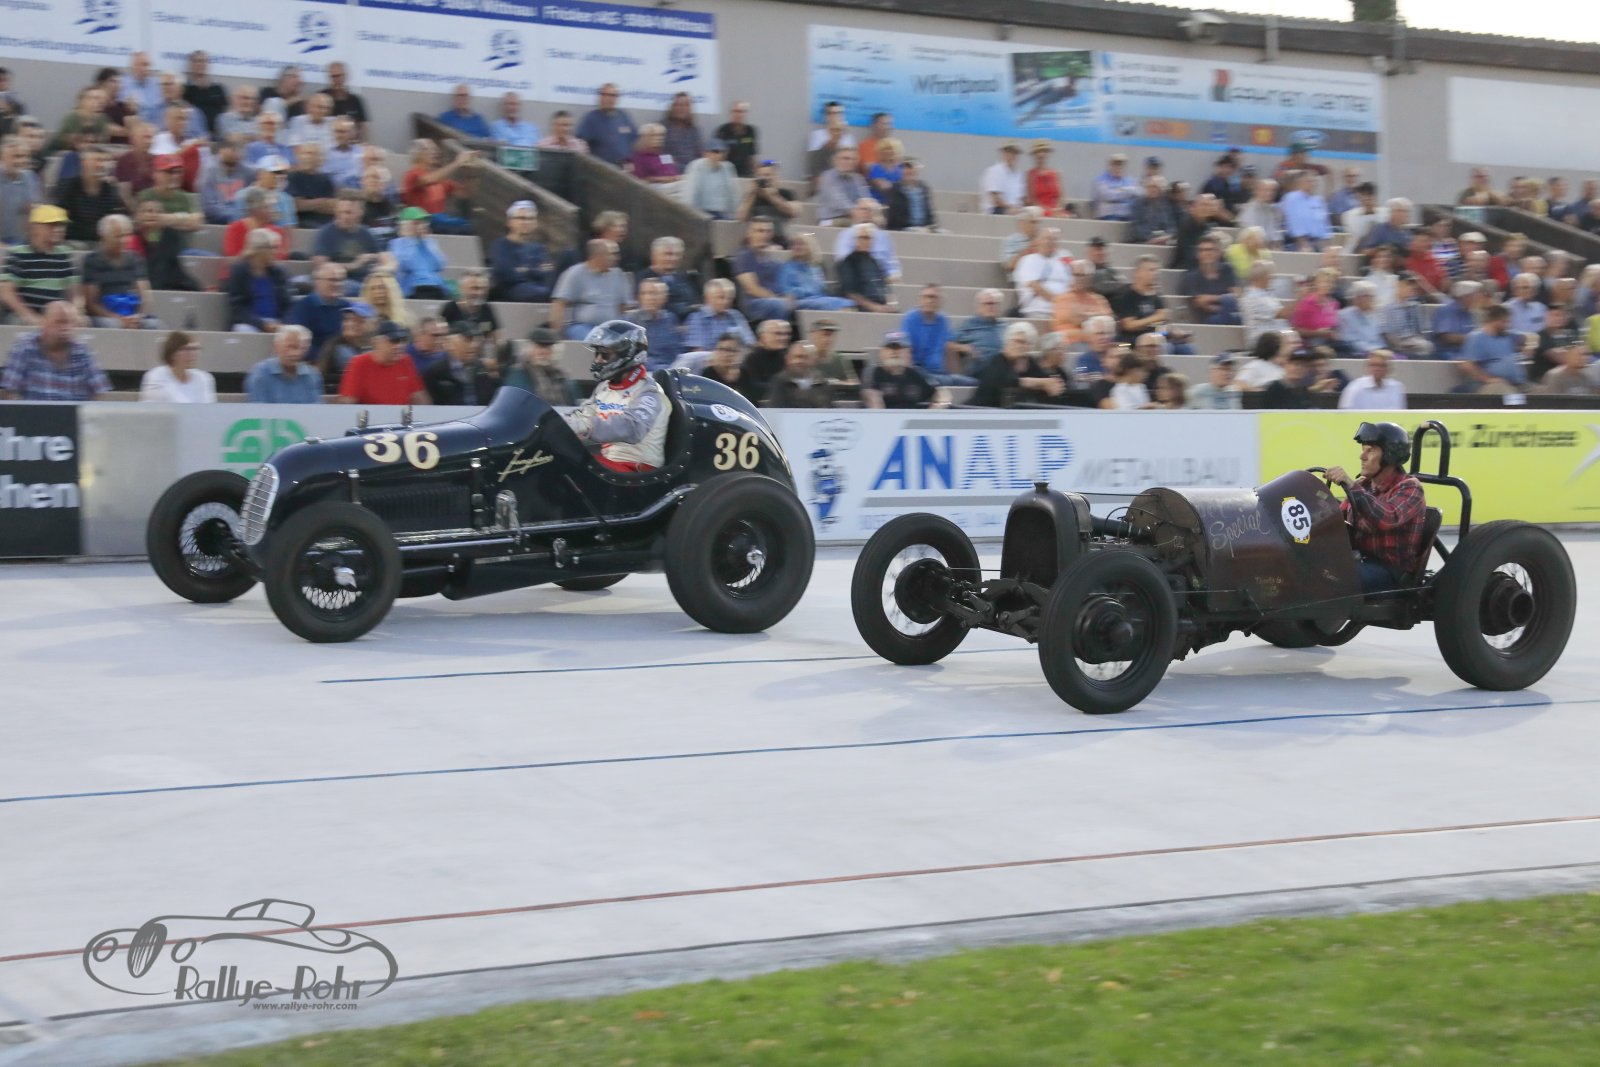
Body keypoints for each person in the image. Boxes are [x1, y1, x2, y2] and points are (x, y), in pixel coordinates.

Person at [1326, 422, 1428, 593]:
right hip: (1360, 559)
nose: (1362, 456)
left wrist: (1351, 485)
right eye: (1363, 449)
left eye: (1371, 450)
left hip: (1391, 571)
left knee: (1330, 578)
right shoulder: (1363, 485)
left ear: (1389, 455)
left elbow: (1387, 517)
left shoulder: (1410, 487)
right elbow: (1338, 518)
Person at [565, 320, 670, 472]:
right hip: (609, 463)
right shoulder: (604, 388)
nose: (598, 359)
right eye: (597, 353)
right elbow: (582, 415)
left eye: (605, 354)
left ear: (627, 354)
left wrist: (587, 426)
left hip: (636, 469)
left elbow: (633, 428)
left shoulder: (650, 392)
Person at [0, 302, 107, 400]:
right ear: (44, 322)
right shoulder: (24, 348)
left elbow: (99, 391)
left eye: (70, 323)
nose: (65, 327)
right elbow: (10, 391)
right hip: (34, 413)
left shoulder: (82, 351)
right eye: (59, 322)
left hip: (72, 413)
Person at [1, 205, 75, 325]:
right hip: (24, 315)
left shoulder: (64, 253)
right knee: (18, 322)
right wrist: (30, 316)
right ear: (34, 228)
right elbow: (6, 293)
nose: (58, 229)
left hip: (56, 316)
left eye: (61, 225)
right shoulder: (18, 253)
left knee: (82, 322)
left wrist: (75, 311)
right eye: (52, 225)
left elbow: (74, 290)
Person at [81, 214, 157, 329]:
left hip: (132, 312)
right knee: (112, 325)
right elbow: (91, 303)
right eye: (118, 236)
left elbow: (145, 295)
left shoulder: (136, 259)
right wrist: (118, 318)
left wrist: (139, 316)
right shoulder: (92, 261)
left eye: (127, 235)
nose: (124, 240)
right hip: (105, 314)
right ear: (104, 238)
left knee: (154, 325)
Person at [551, 239, 633, 340]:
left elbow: (623, 307)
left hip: (611, 328)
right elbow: (559, 304)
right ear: (597, 256)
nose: (616, 258)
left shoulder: (618, 275)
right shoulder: (575, 273)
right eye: (611, 254)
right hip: (583, 327)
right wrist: (557, 335)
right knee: (597, 340)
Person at [973, 321, 1064, 407]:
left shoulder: (1029, 362)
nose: (1021, 346)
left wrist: (1052, 383)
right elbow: (1007, 381)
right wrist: (1040, 382)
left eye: (1026, 343)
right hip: (981, 410)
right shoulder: (997, 360)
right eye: (1018, 341)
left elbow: (1045, 378)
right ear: (1007, 342)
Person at [338, 320, 429, 405]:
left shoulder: (405, 361)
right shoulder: (359, 363)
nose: (399, 346)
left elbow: (420, 399)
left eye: (402, 340)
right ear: (377, 343)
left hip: (401, 416)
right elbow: (347, 403)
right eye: (394, 341)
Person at [401, 139, 476, 232]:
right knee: (465, 226)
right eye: (430, 149)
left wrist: (471, 173)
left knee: (470, 225)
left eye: (435, 150)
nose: (435, 153)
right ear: (418, 154)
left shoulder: (440, 179)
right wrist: (457, 162)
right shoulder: (412, 174)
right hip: (422, 222)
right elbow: (429, 180)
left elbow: (464, 193)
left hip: (441, 222)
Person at [226, 228, 291, 332]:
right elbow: (237, 308)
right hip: (249, 323)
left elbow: (288, 304)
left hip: (277, 322)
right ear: (259, 249)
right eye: (272, 248)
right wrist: (261, 324)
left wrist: (283, 322)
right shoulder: (239, 271)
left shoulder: (279, 272)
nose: (276, 252)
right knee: (244, 330)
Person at [489, 200, 554, 302]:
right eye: (522, 218)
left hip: (538, 289)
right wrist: (534, 271)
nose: (526, 222)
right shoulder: (501, 245)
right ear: (509, 222)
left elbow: (547, 273)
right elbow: (506, 274)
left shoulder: (538, 248)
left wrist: (524, 270)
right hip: (511, 292)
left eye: (531, 219)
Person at [424, 321, 501, 406]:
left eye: (476, 340)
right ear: (449, 344)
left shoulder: (483, 369)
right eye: (467, 340)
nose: (474, 345)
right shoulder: (435, 372)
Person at [862, 333, 945, 409]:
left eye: (899, 348)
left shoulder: (918, 372)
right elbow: (872, 399)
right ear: (881, 352)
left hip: (914, 417)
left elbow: (942, 393)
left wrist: (934, 410)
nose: (894, 352)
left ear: (908, 352)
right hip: (884, 416)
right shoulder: (873, 372)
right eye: (890, 348)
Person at [1458, 304, 1529, 394]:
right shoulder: (1476, 338)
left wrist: (1524, 347)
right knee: (1511, 396)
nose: (1508, 325)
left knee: (1542, 393)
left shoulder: (1506, 336)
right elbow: (1467, 366)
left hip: (1517, 384)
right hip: (1488, 385)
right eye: (1504, 322)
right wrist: (1488, 379)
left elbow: (1523, 338)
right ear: (1494, 320)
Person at [732, 218, 790, 324]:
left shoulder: (771, 256)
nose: (764, 235)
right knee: (779, 304)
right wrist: (779, 298)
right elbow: (752, 289)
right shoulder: (745, 256)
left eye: (768, 231)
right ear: (749, 233)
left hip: (776, 298)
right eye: (760, 231)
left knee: (815, 303)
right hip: (754, 302)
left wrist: (788, 295)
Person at [775, 232, 851, 312]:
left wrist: (813, 290)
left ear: (810, 247)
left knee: (847, 303)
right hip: (800, 300)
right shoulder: (787, 267)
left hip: (818, 298)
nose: (797, 247)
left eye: (801, 244)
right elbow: (785, 290)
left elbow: (821, 288)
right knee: (827, 305)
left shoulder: (815, 267)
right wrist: (805, 291)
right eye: (795, 245)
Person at [286, 263, 351, 355]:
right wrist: (324, 357)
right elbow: (299, 341)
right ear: (317, 282)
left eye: (340, 280)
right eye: (332, 280)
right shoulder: (303, 307)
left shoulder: (347, 306)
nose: (337, 284)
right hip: (316, 358)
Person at [502, 327, 576, 405]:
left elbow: (573, 404)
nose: (543, 351)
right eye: (538, 346)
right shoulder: (519, 373)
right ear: (529, 349)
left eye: (548, 348)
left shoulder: (562, 375)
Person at [389, 207, 450, 299]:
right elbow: (404, 266)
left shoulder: (430, 242)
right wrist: (411, 240)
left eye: (423, 222)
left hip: (436, 285)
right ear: (406, 225)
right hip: (413, 287)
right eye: (416, 223)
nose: (422, 225)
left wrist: (427, 242)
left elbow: (440, 265)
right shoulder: (397, 243)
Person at [635, 235, 700, 319]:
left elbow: (694, 302)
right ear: (654, 255)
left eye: (677, 254)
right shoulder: (643, 279)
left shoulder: (684, 278)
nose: (673, 258)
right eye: (668, 254)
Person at [140, 330, 215, 403]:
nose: (193, 354)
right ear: (172, 353)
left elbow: (208, 408)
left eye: (196, 349)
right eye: (187, 349)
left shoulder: (203, 378)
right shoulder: (156, 376)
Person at [1013, 227, 1071, 318]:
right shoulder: (1027, 260)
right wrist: (1058, 302)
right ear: (1038, 241)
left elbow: (1071, 285)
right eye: (1048, 238)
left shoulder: (1064, 262)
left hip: (1063, 310)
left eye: (1055, 239)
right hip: (1038, 310)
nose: (1051, 242)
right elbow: (1035, 287)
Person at [835, 224, 894, 313]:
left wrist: (887, 305)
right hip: (861, 306)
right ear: (855, 240)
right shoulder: (848, 262)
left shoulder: (874, 262)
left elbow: (883, 288)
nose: (866, 241)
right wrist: (874, 307)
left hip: (879, 304)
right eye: (862, 238)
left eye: (869, 238)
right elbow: (851, 293)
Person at [1182, 234, 1240, 325]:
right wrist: (1225, 299)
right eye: (1201, 250)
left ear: (1219, 252)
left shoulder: (1227, 269)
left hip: (1232, 314)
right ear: (1197, 254)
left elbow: (1237, 294)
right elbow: (1200, 302)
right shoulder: (1191, 277)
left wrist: (1211, 298)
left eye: (1210, 250)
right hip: (1208, 320)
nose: (1205, 253)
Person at [1053, 260, 1113, 345]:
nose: (1080, 279)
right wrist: (1094, 316)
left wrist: (1083, 316)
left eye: (1084, 275)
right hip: (1070, 343)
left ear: (1090, 277)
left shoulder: (1099, 299)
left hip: (1097, 343)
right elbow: (1073, 318)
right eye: (1077, 275)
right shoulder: (1062, 298)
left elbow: (1108, 320)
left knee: (1123, 345)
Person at [738, 159, 798, 243]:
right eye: (761, 176)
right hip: (755, 239)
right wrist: (752, 193)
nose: (765, 178)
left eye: (768, 175)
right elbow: (741, 217)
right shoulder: (752, 196)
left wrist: (771, 196)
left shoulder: (786, 194)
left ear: (775, 177)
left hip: (779, 237)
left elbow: (794, 212)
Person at [577, 84, 636, 167]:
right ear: (600, 97)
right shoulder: (591, 118)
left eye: (613, 95)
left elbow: (634, 140)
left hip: (622, 168)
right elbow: (581, 144)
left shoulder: (623, 116)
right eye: (604, 95)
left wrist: (631, 161)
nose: (608, 98)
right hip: (601, 168)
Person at [441, 269, 500, 349]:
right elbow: (441, 340)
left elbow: (497, 340)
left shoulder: (487, 309)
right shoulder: (450, 309)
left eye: (484, 288)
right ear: (462, 288)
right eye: (475, 288)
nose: (480, 293)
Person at [762, 340, 832, 408]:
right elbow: (775, 409)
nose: (799, 361)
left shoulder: (822, 383)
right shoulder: (780, 381)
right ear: (788, 359)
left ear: (813, 360)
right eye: (795, 357)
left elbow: (828, 410)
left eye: (805, 357)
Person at [633, 278, 684, 371]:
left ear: (664, 297)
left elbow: (677, 350)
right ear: (639, 297)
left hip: (673, 368)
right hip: (646, 371)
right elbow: (635, 356)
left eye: (653, 293)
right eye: (644, 293)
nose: (649, 298)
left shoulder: (671, 318)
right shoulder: (632, 321)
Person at [949, 289, 1007, 370]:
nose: (991, 307)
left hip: (1002, 368)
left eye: (995, 304)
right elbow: (949, 344)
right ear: (979, 307)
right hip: (981, 368)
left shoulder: (1004, 326)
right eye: (988, 303)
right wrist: (963, 348)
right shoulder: (969, 324)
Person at [287, 141, 337, 229]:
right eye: (304, 153)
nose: (307, 157)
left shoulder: (325, 179)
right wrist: (323, 202)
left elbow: (334, 206)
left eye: (312, 154)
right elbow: (296, 205)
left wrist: (308, 204)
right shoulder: (292, 177)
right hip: (303, 222)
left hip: (328, 221)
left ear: (320, 159)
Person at [683, 139, 737, 219]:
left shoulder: (728, 167)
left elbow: (733, 192)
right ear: (706, 153)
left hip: (722, 212)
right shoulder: (697, 166)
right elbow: (690, 193)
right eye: (715, 152)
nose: (719, 155)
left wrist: (735, 212)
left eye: (722, 152)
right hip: (701, 212)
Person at [816, 147, 870, 225]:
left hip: (853, 218)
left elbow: (865, 198)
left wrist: (867, 208)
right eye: (846, 158)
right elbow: (837, 200)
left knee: (874, 223)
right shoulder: (827, 177)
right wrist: (854, 211)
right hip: (830, 219)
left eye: (853, 159)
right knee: (858, 226)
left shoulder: (858, 179)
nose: (850, 162)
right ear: (836, 160)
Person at [1338, 350, 1407, 410]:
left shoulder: (1397, 387)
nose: (1377, 369)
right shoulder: (1355, 387)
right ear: (1367, 367)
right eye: (1374, 365)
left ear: (1389, 369)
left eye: (1382, 366)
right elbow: (1346, 414)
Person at [886, 157, 938, 232]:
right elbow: (895, 217)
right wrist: (917, 227)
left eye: (910, 168)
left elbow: (929, 212)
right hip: (904, 228)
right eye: (904, 168)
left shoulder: (924, 188)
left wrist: (931, 226)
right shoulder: (895, 189)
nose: (907, 171)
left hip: (924, 228)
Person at [1337, 281, 1386, 356]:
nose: (1370, 299)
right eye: (1366, 296)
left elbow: (1381, 338)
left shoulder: (1378, 314)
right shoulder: (1344, 315)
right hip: (1359, 354)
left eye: (1372, 296)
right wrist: (1373, 351)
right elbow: (1350, 340)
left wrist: (1381, 350)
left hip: (1380, 351)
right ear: (1356, 298)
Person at [713, 101, 758, 177]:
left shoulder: (750, 131)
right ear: (730, 114)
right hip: (726, 174)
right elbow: (716, 157)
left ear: (745, 114)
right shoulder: (722, 131)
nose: (738, 114)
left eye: (741, 112)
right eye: (735, 111)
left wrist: (756, 173)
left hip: (745, 173)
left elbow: (752, 155)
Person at [981, 143, 1025, 215]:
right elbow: (995, 199)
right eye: (1009, 152)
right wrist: (1011, 207)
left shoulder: (1019, 174)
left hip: (1014, 209)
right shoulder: (994, 171)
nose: (1012, 155)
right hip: (995, 210)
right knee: (1014, 213)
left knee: (1033, 212)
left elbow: (1021, 198)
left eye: (1015, 153)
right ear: (1003, 153)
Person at [1091, 153, 1137, 220]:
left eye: (1121, 165)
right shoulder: (1101, 180)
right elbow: (1108, 196)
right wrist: (1126, 191)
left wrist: (1117, 191)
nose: (1118, 167)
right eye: (1115, 164)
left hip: (1127, 215)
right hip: (1108, 216)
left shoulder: (1130, 180)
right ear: (1110, 166)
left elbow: (1137, 193)